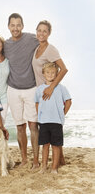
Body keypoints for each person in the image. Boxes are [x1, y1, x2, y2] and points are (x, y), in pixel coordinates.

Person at [4, 13, 40, 168]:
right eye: (12, 25)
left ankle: (36, 161)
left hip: (31, 88)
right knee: (20, 126)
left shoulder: (32, 39)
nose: (15, 28)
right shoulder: (5, 44)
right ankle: (25, 159)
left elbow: (45, 44)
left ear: (23, 26)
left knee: (33, 125)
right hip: (13, 89)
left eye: (18, 25)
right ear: (8, 27)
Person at [32, 20, 68, 164]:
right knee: (48, 130)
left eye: (45, 31)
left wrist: (51, 87)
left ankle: (59, 161)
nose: (41, 33)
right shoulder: (37, 48)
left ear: (49, 33)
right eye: (39, 30)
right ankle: (62, 160)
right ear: (36, 31)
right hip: (41, 92)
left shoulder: (50, 49)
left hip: (49, 91)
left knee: (54, 129)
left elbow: (63, 69)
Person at [35, 62, 72, 174]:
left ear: (57, 74)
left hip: (56, 122)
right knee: (45, 145)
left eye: (53, 72)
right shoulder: (39, 89)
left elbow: (68, 102)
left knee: (56, 146)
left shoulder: (61, 88)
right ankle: (44, 167)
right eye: (48, 72)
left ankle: (54, 168)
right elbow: (37, 103)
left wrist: (62, 113)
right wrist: (40, 115)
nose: (50, 74)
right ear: (43, 74)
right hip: (44, 122)